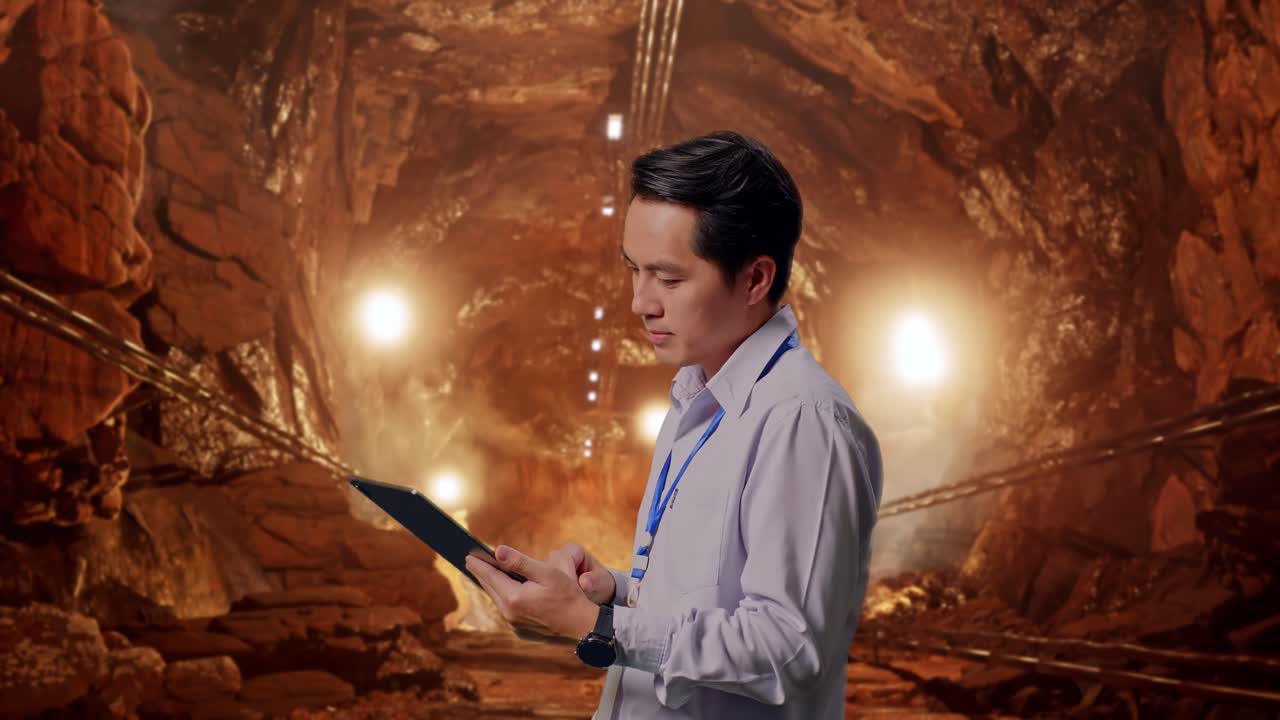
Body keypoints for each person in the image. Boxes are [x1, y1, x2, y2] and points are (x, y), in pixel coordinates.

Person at [466, 130, 883, 719]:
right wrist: (611, 593)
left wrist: (597, 626)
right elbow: (711, 603)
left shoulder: (801, 420)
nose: (641, 302)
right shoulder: (696, 400)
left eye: (668, 278)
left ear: (755, 279)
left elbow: (785, 650)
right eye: (634, 270)